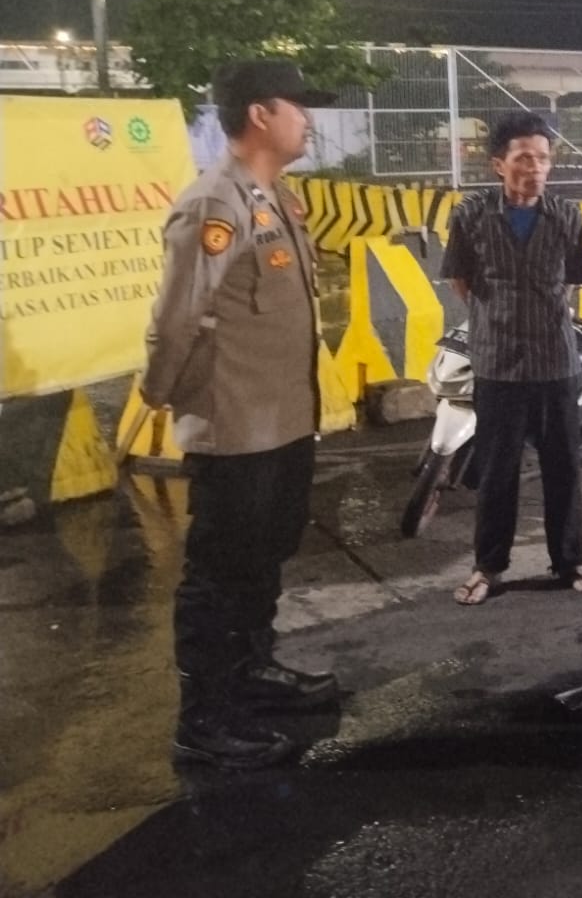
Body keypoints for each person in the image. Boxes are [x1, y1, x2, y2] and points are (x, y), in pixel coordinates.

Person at [144, 59, 342, 769]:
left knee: (265, 558)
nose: (308, 119)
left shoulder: (276, 198)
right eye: (298, 106)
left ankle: (252, 673)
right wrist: (160, 392)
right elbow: (177, 317)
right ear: (260, 114)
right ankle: (204, 719)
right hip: (234, 427)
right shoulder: (213, 203)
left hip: (283, 419)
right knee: (220, 574)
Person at [439, 111, 582, 605]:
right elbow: (460, 279)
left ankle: (570, 560)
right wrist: (498, 316)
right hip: (498, 364)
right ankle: (489, 566)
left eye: (543, 158)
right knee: (497, 472)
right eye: (524, 158)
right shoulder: (471, 215)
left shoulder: (567, 217)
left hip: (555, 361)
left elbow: (572, 280)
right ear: (498, 164)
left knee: (563, 468)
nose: (535, 168)